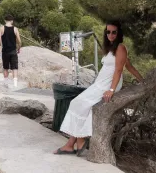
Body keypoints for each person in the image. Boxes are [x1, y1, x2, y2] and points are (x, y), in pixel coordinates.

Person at [54, 21, 144, 155]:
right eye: (108, 32)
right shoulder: (111, 48)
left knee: (77, 103)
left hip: (107, 85)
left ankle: (79, 140)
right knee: (79, 104)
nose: (111, 35)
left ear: (119, 34)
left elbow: (119, 70)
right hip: (100, 83)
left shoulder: (120, 48)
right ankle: (73, 143)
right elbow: (129, 66)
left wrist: (112, 90)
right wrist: (142, 79)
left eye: (114, 32)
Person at [0, 15, 21, 87]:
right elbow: (19, 41)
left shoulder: (1, 28)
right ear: (12, 21)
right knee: (14, 67)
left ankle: (6, 83)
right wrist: (19, 48)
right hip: (13, 50)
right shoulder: (15, 29)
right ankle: (15, 84)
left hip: (5, 51)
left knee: (5, 67)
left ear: (5, 20)